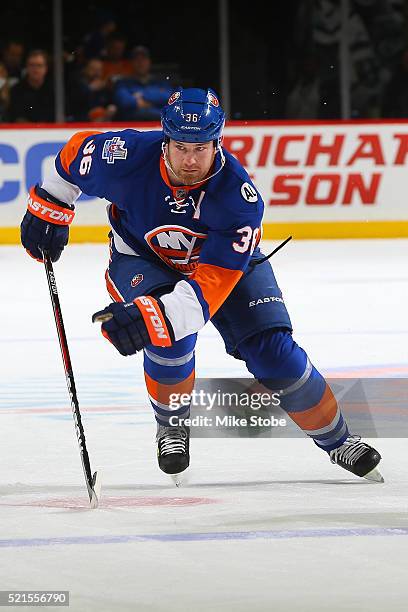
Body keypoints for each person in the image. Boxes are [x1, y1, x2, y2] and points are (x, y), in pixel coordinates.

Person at [20, 88, 383, 482]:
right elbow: (74, 155)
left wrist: (149, 318)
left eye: (201, 148)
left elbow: (209, 288)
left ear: (218, 142)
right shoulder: (124, 155)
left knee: (273, 352)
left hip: (222, 267)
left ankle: (339, 440)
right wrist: (50, 206)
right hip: (141, 257)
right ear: (164, 140)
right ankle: (172, 423)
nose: (190, 160)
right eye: (180, 147)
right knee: (169, 340)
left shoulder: (239, 199)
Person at [114, 46, 173, 120]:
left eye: (143, 59)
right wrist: (156, 97)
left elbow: (169, 98)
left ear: (149, 62)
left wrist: (142, 95)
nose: (140, 63)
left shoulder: (160, 82)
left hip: (158, 123)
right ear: (131, 63)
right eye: (137, 59)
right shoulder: (123, 83)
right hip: (131, 125)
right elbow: (124, 101)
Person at [8, 50, 54, 123]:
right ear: (26, 67)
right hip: (26, 132)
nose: (35, 69)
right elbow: (17, 117)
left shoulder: (55, 90)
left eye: (39, 65)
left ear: (46, 68)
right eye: (32, 65)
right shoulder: (17, 90)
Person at [67, 58, 117, 122]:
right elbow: (73, 104)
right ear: (86, 69)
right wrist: (90, 89)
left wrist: (110, 107)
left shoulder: (105, 86)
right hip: (81, 120)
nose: (97, 73)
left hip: (102, 119)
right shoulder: (77, 83)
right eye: (93, 70)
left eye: (99, 70)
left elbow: (110, 102)